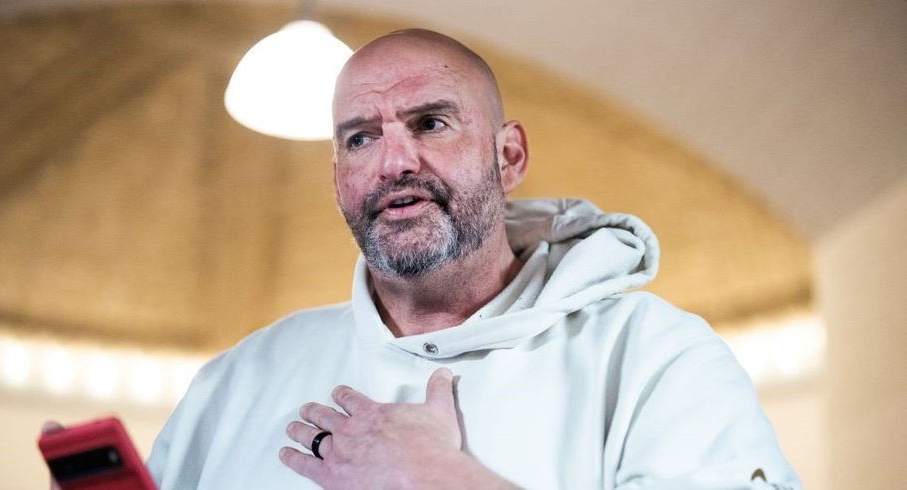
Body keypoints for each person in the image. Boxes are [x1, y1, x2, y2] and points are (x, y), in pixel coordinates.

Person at [141, 29, 801, 489]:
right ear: (338, 176)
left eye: (430, 123)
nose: (394, 162)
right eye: (361, 138)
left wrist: (442, 481)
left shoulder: (653, 357)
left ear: (508, 156)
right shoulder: (237, 381)